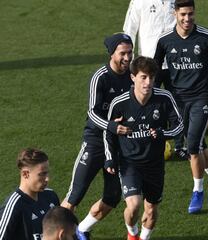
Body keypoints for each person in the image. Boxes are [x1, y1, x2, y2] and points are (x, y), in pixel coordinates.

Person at [153, 0, 208, 214]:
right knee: (198, 143)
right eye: (183, 15)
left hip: (203, 97)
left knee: (192, 147)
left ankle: (197, 191)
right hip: (177, 100)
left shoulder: (207, 37)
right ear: (175, 14)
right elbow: (156, 70)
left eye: (190, 14)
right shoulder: (165, 41)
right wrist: (153, 96)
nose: (187, 19)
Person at [61, 33, 134, 239]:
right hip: (95, 142)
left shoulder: (133, 76)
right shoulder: (100, 77)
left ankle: (82, 229)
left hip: (117, 145)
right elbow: (92, 113)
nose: (127, 58)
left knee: (112, 197)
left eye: (130, 52)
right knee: (74, 195)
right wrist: (111, 126)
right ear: (112, 54)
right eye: (123, 53)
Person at [104, 56, 183, 240]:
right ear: (133, 77)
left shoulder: (164, 98)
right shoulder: (120, 103)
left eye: (151, 77)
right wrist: (110, 158)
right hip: (129, 162)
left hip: (155, 164)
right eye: (143, 77)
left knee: (152, 211)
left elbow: (179, 126)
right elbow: (108, 132)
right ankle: (132, 235)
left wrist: (164, 133)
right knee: (133, 206)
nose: (148, 82)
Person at [123, 0, 189, 161]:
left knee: (178, 103)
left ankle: (180, 146)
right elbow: (129, 29)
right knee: (146, 103)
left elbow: (185, 24)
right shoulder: (139, 2)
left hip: (175, 62)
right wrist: (129, 59)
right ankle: (145, 142)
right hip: (149, 63)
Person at [0, 148, 59, 240]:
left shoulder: (51, 196)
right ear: (25, 174)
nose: (47, 179)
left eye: (47, 173)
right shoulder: (14, 206)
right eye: (42, 174)